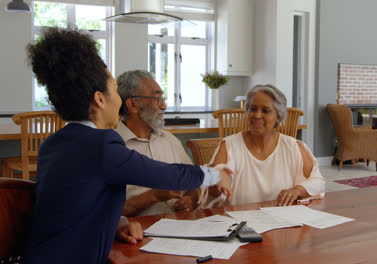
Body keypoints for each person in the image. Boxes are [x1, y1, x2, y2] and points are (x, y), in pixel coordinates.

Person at [22, 27, 231, 264]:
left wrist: (115, 225)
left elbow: (74, 208)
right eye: (114, 91)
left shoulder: (53, 142)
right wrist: (215, 174)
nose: (119, 100)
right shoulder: (102, 145)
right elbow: (168, 174)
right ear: (100, 99)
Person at [207, 84, 325, 206]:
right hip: (239, 220)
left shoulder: (294, 147)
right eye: (252, 109)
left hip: (282, 220)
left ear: (278, 117)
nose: (257, 115)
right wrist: (215, 184)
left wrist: (298, 190)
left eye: (265, 111)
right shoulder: (228, 146)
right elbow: (212, 191)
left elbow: (318, 182)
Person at [116, 70, 198, 216]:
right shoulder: (114, 147)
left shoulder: (170, 141)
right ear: (133, 104)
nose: (164, 106)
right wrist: (153, 196)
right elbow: (106, 213)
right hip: (136, 233)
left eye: (163, 99)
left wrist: (190, 199)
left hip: (179, 227)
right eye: (157, 99)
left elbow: (193, 187)